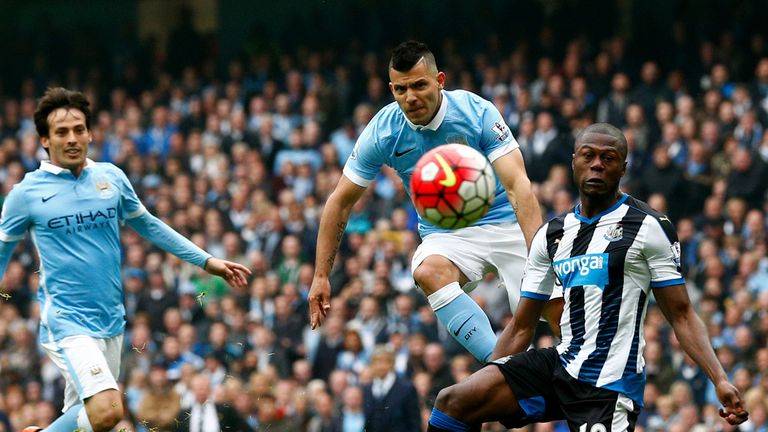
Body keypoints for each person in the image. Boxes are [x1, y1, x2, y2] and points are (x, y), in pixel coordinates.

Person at [426, 123, 749, 431]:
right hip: (560, 364)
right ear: (574, 162)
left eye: (607, 158)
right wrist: (491, 378)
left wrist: (719, 378)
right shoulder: (551, 234)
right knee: (455, 401)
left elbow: (681, 314)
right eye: (588, 155)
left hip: (609, 382)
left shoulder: (648, 227)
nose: (596, 165)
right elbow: (523, 324)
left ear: (623, 168)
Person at [0, 87, 251, 432]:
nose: (72, 138)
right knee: (110, 409)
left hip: (111, 321)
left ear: (89, 133)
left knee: (92, 422)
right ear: (45, 139)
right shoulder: (25, 194)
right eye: (61, 132)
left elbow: (149, 225)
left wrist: (208, 261)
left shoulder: (111, 178)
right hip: (66, 321)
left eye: (78, 130)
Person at [308, 40, 560, 362]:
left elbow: (518, 187)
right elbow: (339, 202)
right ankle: (502, 368)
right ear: (391, 89)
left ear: (440, 81)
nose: (410, 97)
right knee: (428, 270)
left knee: (557, 309)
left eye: (419, 85)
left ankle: (587, 383)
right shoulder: (383, 131)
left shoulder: (476, 112)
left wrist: (538, 254)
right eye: (401, 90)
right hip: (447, 234)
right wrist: (320, 276)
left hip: (506, 220)